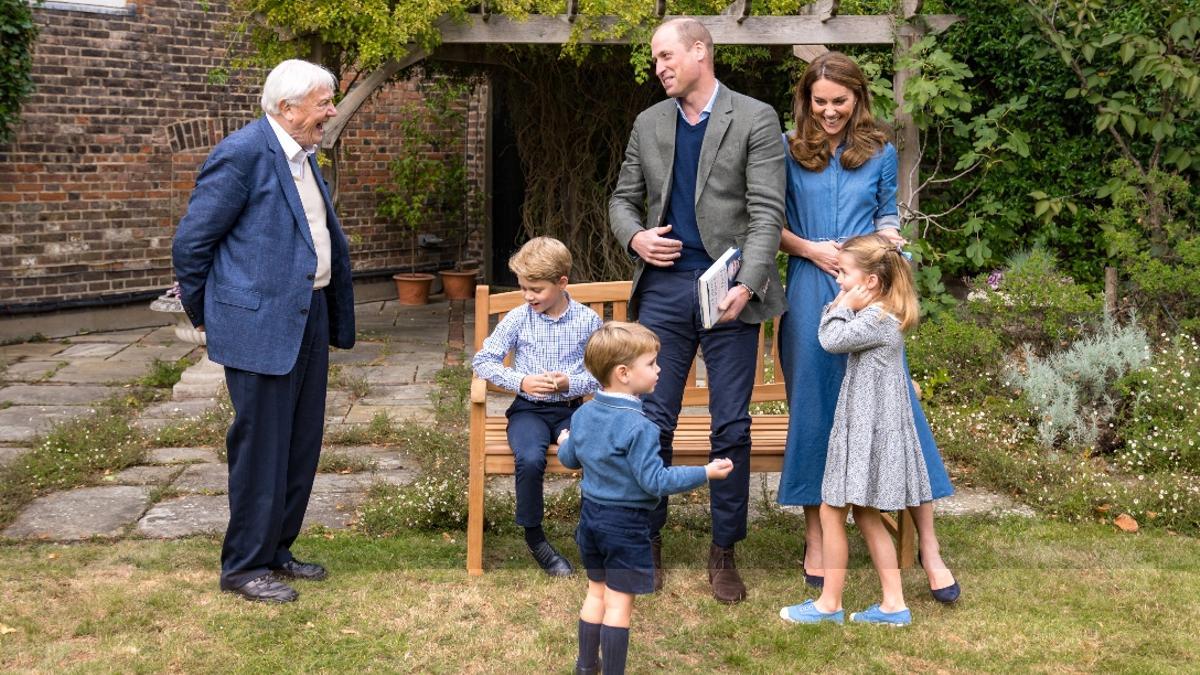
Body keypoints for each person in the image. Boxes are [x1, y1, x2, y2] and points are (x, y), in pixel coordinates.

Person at [608, 16, 786, 603]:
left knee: (730, 425)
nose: (658, 67)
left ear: (700, 52)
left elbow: (766, 214)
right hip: (662, 291)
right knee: (651, 422)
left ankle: (724, 549)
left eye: (665, 56)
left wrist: (751, 283)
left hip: (729, 292)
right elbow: (620, 200)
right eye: (655, 58)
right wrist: (635, 238)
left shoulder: (755, 118)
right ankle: (648, 540)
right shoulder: (648, 123)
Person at [776, 51, 959, 603]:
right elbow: (770, 222)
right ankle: (816, 536)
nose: (830, 112)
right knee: (814, 406)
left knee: (896, 407)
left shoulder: (878, 150)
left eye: (840, 102)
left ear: (858, 99)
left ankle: (928, 546)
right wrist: (814, 250)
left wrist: (882, 244)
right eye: (820, 102)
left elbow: (887, 215)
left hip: (870, 290)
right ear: (807, 100)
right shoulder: (787, 149)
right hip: (810, 287)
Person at [172, 59, 355, 603]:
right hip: (259, 325)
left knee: (300, 444)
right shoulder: (243, 153)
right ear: (287, 108)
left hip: (308, 315)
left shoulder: (302, 156)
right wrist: (207, 315)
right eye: (323, 102)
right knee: (261, 449)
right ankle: (243, 567)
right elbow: (192, 244)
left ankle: (276, 550)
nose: (331, 111)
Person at [557, 322, 734, 674]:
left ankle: (585, 667)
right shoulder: (642, 427)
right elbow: (655, 481)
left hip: (590, 519)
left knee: (596, 593)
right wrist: (706, 473)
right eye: (652, 363)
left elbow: (570, 460)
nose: (659, 370)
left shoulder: (584, 414)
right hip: (625, 526)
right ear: (624, 373)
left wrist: (565, 442)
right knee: (619, 605)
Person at [779, 233, 931, 626]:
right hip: (867, 426)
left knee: (832, 511)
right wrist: (848, 299)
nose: (839, 281)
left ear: (872, 282)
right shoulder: (882, 315)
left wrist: (841, 303)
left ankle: (829, 604)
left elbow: (829, 339)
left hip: (867, 430)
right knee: (864, 513)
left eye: (845, 274)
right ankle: (894, 604)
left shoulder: (876, 319)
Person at [471, 237, 603, 575]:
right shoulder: (518, 318)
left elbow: (602, 373)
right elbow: (483, 361)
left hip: (573, 410)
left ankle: (589, 533)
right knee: (529, 459)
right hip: (528, 411)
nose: (529, 296)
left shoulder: (587, 321)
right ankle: (536, 539)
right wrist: (521, 381)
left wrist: (570, 382)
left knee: (592, 454)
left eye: (536, 289)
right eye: (523, 288)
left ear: (562, 283)